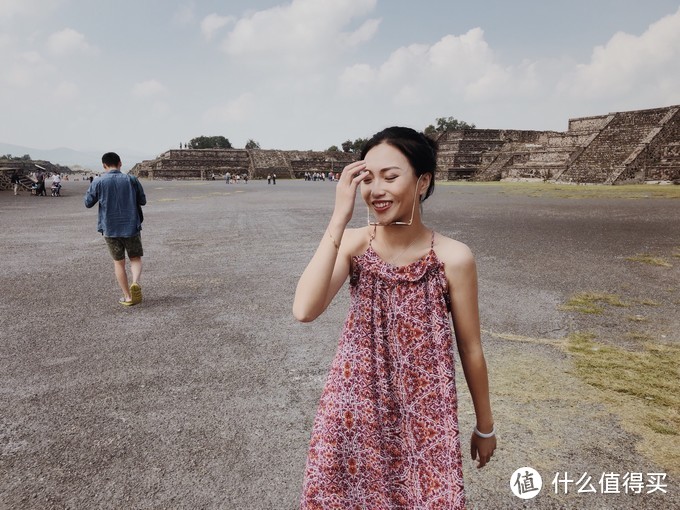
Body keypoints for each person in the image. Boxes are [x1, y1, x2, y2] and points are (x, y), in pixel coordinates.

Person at [293, 127, 495, 509]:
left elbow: (470, 348)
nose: (377, 190)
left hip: (426, 415)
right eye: (368, 179)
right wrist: (339, 220)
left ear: (422, 182)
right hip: (353, 411)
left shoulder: (453, 257)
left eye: (391, 176)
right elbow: (305, 309)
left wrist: (485, 426)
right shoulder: (355, 243)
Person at [84, 152, 146, 306]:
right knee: (135, 258)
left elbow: (88, 202)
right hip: (131, 226)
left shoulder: (98, 181)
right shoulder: (131, 179)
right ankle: (136, 283)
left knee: (119, 263)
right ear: (120, 163)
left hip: (110, 227)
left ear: (104, 165)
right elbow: (142, 200)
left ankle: (127, 297)